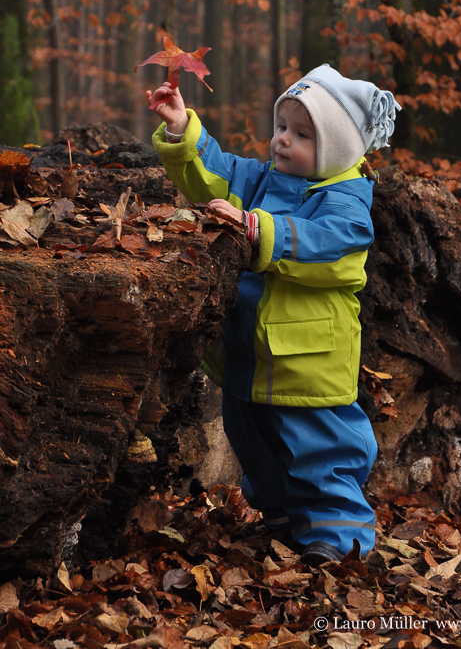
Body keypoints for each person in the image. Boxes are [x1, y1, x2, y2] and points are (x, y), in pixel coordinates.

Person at [147, 64, 400, 565]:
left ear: (337, 151)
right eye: (282, 127)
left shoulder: (345, 205)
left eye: (302, 134)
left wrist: (260, 229)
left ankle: (339, 534)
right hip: (251, 358)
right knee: (255, 444)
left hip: (309, 362)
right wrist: (182, 127)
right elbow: (214, 171)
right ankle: (284, 518)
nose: (282, 141)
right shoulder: (264, 180)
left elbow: (328, 247)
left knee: (320, 450)